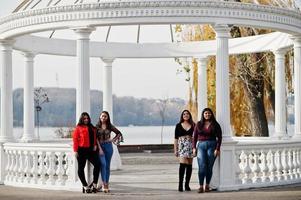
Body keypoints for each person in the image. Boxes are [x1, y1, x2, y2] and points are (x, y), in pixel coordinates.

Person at [193, 108, 222, 193]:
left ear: (211, 114)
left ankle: (207, 185)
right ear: (203, 114)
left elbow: (219, 137)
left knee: (209, 167)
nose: (207, 115)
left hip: (212, 145)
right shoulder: (198, 124)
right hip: (201, 146)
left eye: (209, 113)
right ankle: (201, 186)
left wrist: (217, 149)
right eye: (205, 113)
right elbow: (194, 137)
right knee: (202, 166)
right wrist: (194, 148)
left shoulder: (215, 124)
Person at [96, 111, 123, 193]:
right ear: (100, 117)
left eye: (105, 116)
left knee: (107, 166)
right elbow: (95, 138)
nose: (103, 118)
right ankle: (103, 183)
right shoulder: (96, 127)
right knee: (103, 164)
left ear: (107, 117)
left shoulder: (109, 126)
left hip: (108, 146)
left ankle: (106, 184)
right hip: (100, 147)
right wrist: (99, 148)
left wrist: (112, 140)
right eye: (102, 116)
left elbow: (118, 133)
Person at [72, 112, 100, 193]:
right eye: (84, 118)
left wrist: (95, 145)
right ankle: (85, 186)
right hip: (81, 150)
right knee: (81, 169)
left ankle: (94, 184)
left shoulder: (92, 127)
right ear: (82, 119)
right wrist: (75, 150)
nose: (86, 120)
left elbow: (95, 137)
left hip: (91, 151)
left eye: (87, 118)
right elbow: (75, 140)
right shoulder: (78, 128)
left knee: (98, 164)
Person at [174, 110, 195, 192]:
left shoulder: (193, 125)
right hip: (182, 146)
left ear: (189, 115)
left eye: (187, 114)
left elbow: (196, 137)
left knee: (189, 166)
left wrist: (194, 147)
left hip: (190, 146)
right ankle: (180, 184)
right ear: (182, 116)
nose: (186, 115)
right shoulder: (178, 125)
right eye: (184, 114)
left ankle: (187, 185)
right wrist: (175, 150)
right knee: (182, 165)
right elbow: (175, 139)